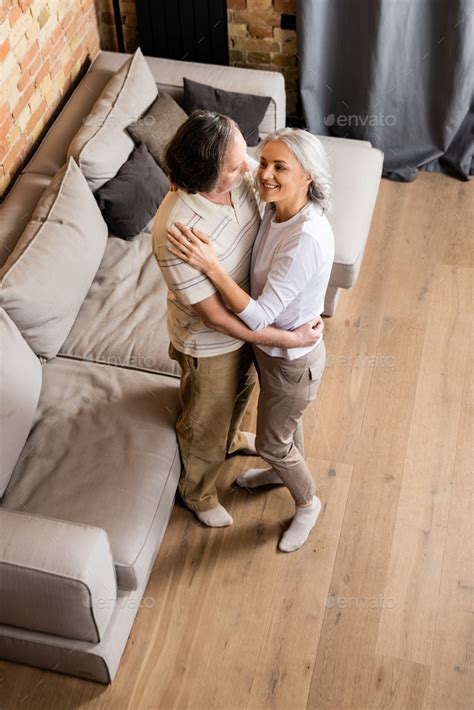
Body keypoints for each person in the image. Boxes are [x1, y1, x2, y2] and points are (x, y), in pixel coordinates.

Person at [167, 128, 334, 552]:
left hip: (292, 359)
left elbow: (259, 314)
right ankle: (281, 470)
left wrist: (211, 265)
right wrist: (184, 181)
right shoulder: (276, 207)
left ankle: (307, 502)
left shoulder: (304, 238)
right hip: (274, 351)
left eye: (281, 167)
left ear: (308, 177)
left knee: (276, 442)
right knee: (283, 427)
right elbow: (211, 181)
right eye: (263, 162)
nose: (262, 174)